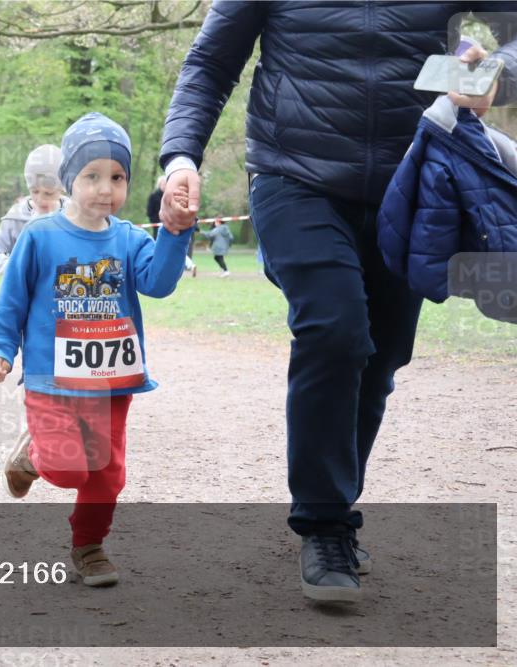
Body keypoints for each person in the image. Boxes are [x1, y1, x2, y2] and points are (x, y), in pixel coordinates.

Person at [158, 2, 517, 602]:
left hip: (412, 179)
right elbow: (210, 63)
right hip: (293, 176)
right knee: (335, 328)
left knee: (380, 357)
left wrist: (497, 72)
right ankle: (325, 525)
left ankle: (335, 507)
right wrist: (181, 158)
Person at [0, 113, 194, 587]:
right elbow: (11, 299)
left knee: (106, 475)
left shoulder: (128, 238)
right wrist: (0, 350)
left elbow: (159, 283)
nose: (106, 189)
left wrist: (176, 233)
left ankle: (90, 545)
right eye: (92, 176)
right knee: (65, 466)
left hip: (110, 382)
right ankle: (32, 456)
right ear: (68, 181)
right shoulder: (40, 236)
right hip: (51, 379)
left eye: (117, 178)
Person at [0, 144, 66, 275]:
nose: (40, 199)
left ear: (62, 188)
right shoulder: (16, 216)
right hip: (23, 293)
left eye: (48, 193)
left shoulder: (74, 215)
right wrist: (13, 270)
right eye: (35, 191)